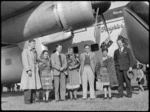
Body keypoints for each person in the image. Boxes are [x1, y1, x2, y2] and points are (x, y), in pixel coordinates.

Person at [20, 39, 42, 104]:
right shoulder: (25, 51)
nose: (34, 45)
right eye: (33, 43)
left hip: (35, 71)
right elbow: (25, 61)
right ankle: (27, 101)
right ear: (29, 44)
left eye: (35, 43)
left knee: (34, 86)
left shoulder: (35, 51)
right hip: (29, 71)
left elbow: (37, 60)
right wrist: (28, 70)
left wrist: (39, 65)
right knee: (28, 86)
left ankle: (33, 100)